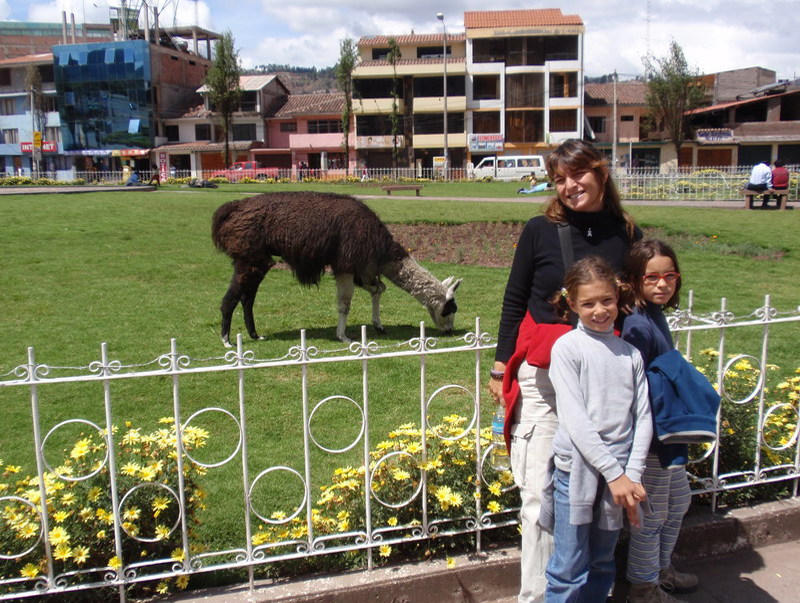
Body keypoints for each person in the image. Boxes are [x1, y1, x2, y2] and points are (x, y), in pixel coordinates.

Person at [488, 139, 641, 603]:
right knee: (539, 494)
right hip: (546, 376)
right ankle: (537, 597)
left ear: (601, 172)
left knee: (592, 493)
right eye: (559, 179)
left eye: (577, 175)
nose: (569, 186)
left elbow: (631, 305)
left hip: (599, 379)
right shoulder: (540, 229)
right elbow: (515, 299)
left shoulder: (624, 233)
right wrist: (500, 367)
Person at [540, 255, 652, 603]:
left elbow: (643, 417)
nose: (600, 310)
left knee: (603, 562)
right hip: (578, 473)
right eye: (588, 304)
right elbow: (575, 419)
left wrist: (630, 475)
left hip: (618, 481)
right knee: (569, 567)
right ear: (572, 304)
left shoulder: (630, 354)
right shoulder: (568, 348)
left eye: (607, 301)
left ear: (618, 298)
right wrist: (613, 472)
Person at [620, 240, 697, 603]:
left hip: (668, 431)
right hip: (653, 436)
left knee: (679, 501)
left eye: (670, 276)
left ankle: (661, 569)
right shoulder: (638, 324)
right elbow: (636, 386)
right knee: (651, 516)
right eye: (652, 278)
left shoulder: (654, 313)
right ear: (635, 280)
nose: (662, 284)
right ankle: (644, 587)